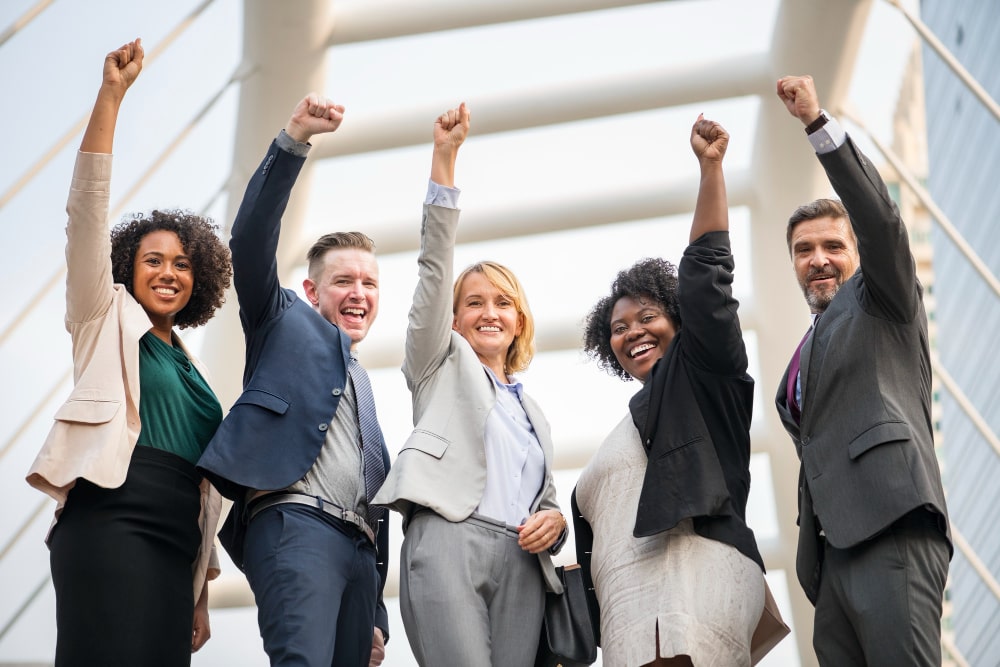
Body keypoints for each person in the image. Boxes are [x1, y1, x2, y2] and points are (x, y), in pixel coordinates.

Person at [26, 39, 231, 665]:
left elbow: (204, 489)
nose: (168, 272)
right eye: (153, 260)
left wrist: (200, 593)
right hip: (111, 515)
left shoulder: (193, 370)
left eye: (182, 263)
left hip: (177, 542)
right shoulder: (101, 315)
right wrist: (111, 96)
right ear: (127, 269)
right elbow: (85, 211)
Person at [573, 115, 780, 667]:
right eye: (618, 328)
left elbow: (707, 274)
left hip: (688, 579)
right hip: (634, 602)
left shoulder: (703, 374)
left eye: (647, 317)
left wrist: (710, 168)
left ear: (680, 321)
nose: (633, 332)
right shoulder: (636, 416)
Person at [195, 93, 390, 667]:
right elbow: (251, 242)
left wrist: (376, 613)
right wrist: (293, 141)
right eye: (343, 281)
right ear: (311, 292)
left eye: (370, 284)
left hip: (359, 552)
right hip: (296, 523)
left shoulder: (363, 384)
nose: (358, 293)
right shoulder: (280, 319)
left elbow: (372, 488)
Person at [372, 103, 567, 666]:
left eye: (503, 303)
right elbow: (435, 268)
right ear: (453, 320)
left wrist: (552, 521)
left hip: (522, 560)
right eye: (474, 302)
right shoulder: (439, 365)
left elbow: (545, 498)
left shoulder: (533, 412)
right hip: (450, 539)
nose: (489, 312)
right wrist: (445, 159)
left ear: (520, 320)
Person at [773, 75, 951, 666]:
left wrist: (817, 125)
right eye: (803, 250)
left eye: (832, 246)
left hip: (892, 527)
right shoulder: (804, 352)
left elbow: (882, 224)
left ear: (856, 254)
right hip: (832, 559)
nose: (818, 259)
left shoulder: (882, 301)